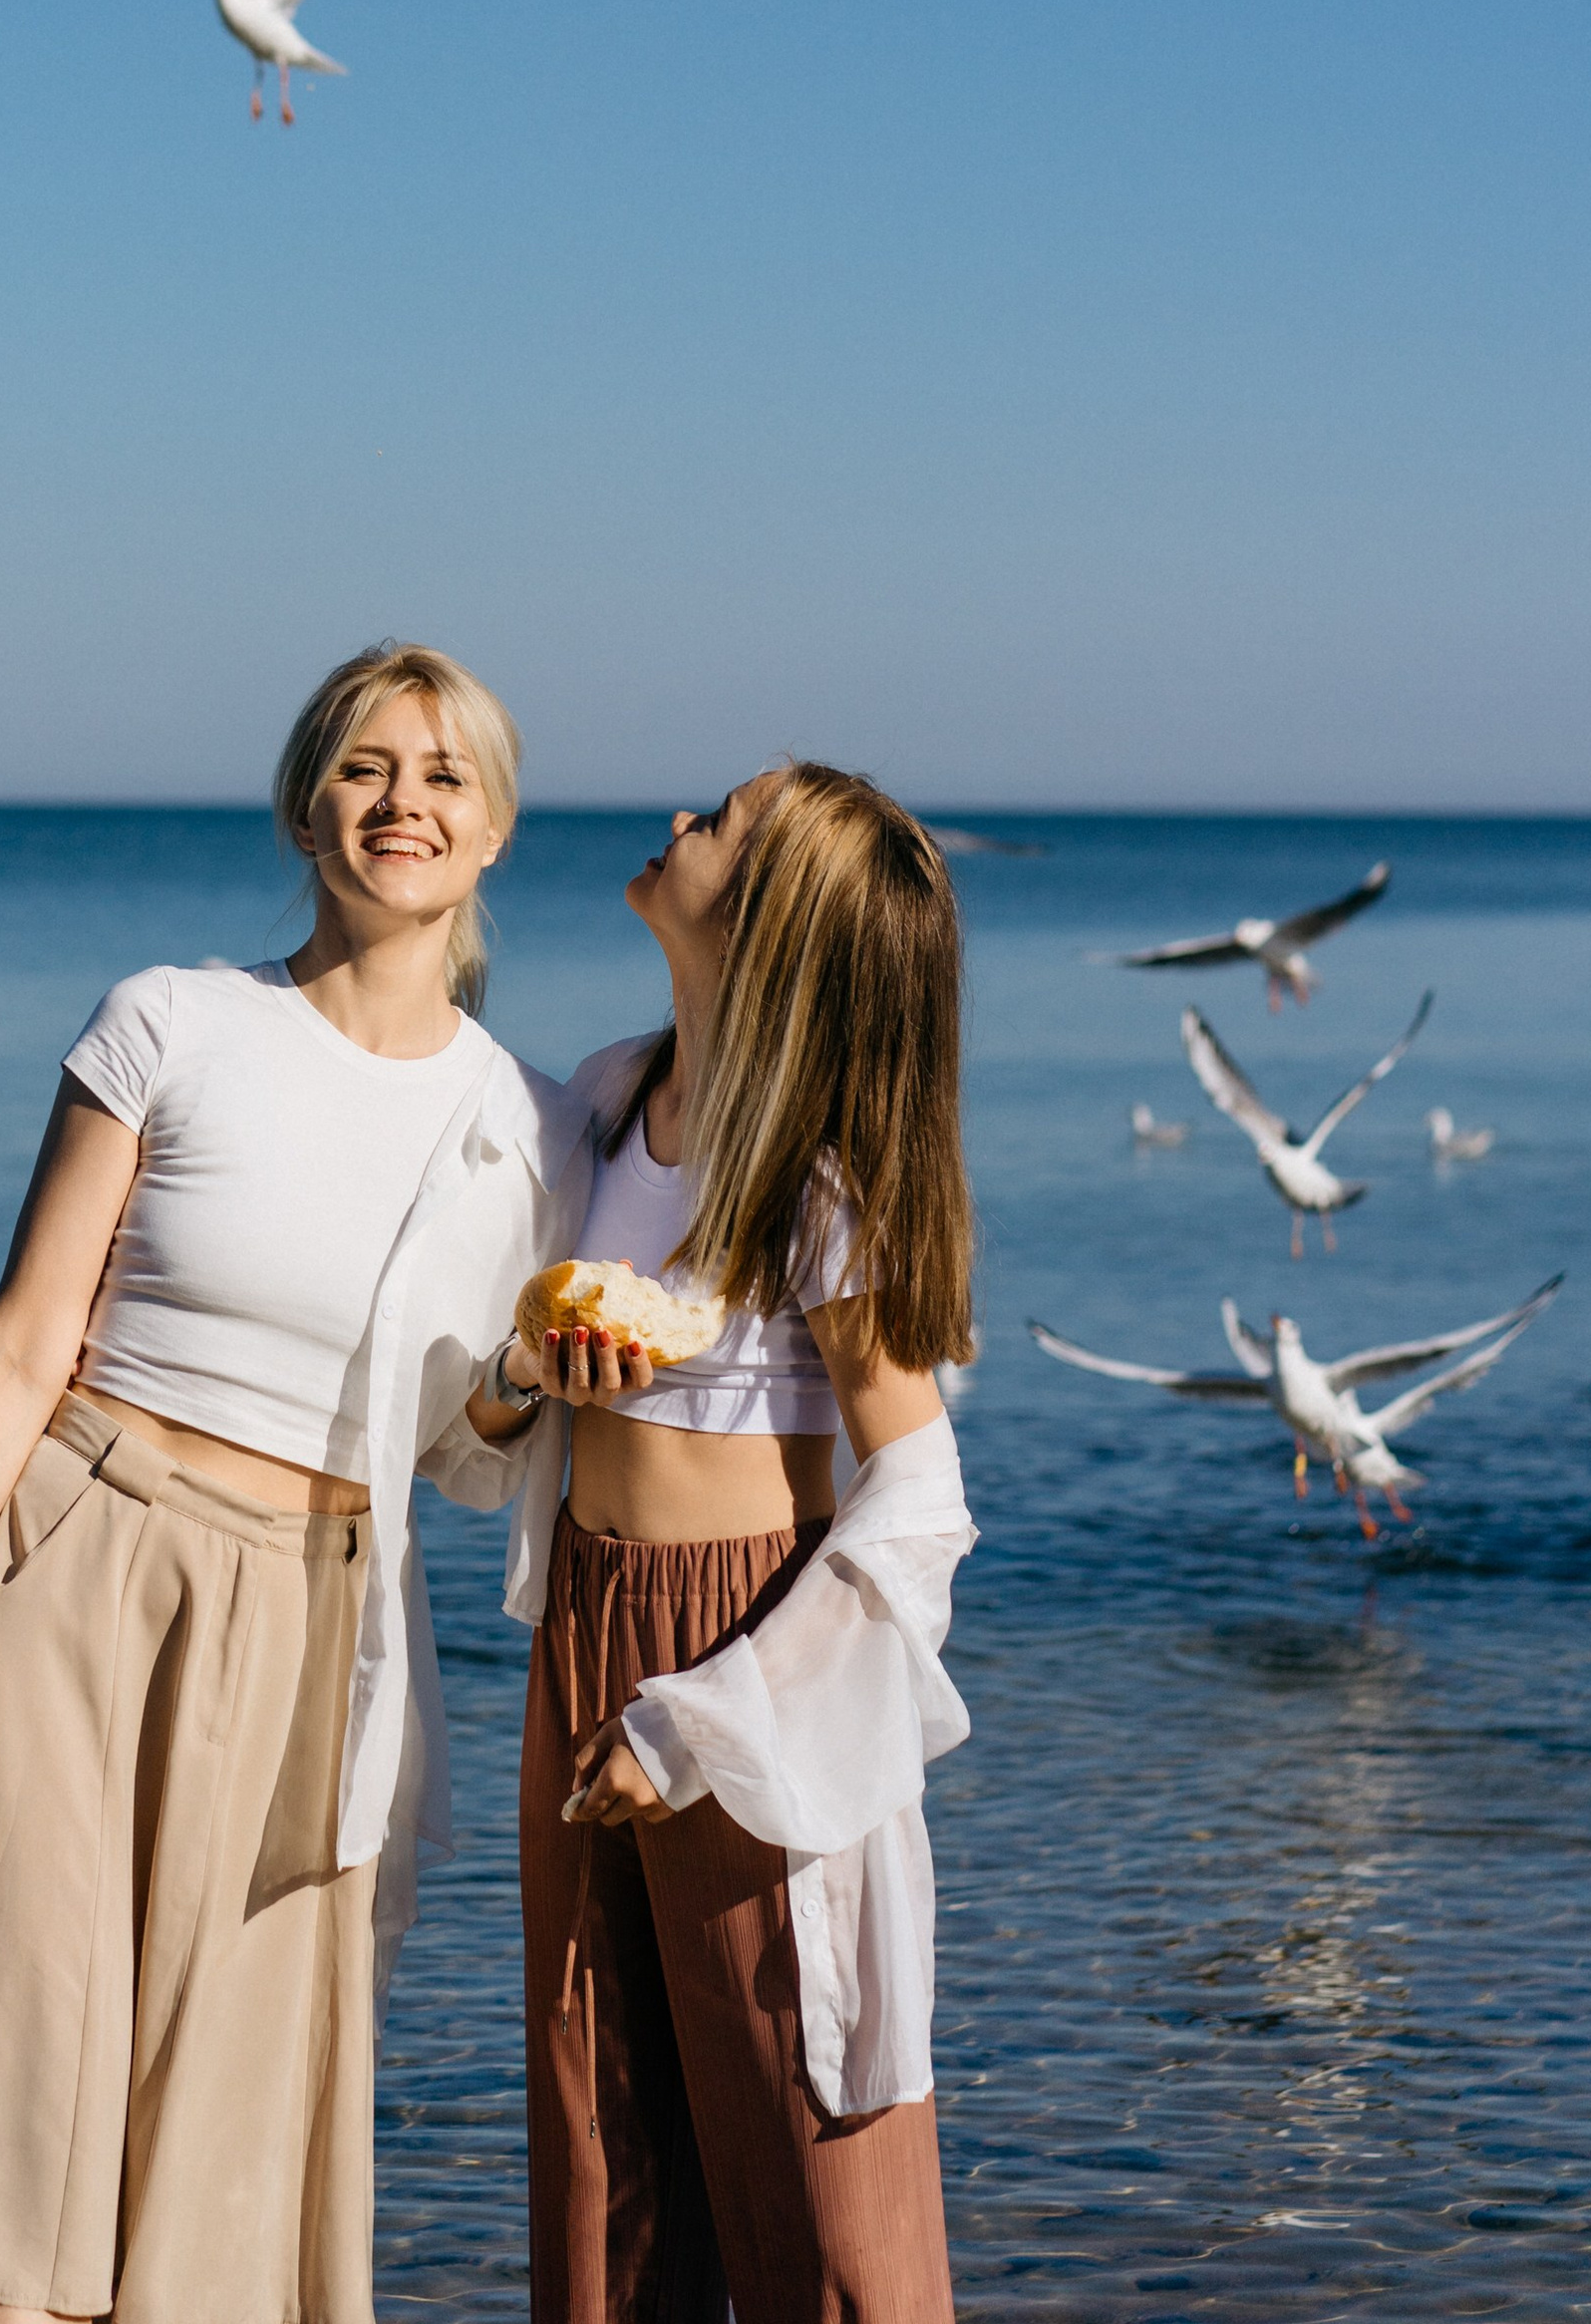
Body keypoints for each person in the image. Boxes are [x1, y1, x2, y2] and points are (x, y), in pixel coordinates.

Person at [0, 641, 586, 2324]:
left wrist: (521, 1388)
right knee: (26, 2150)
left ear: (497, 826)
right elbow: (15, 1353)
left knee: (212, 2185)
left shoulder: (531, 1131)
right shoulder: (172, 1020)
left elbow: (461, 1457)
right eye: (366, 767)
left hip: (316, 1626)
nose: (401, 804)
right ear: (308, 800)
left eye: (443, 774)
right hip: (74, 1574)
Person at [488, 763, 978, 2324]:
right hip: (588, 1620)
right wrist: (524, 1380)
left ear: (769, 928)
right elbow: (498, 1408)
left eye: (727, 823)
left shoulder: (816, 1179)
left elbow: (920, 1498)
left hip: (746, 1648)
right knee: (601, 2128)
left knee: (808, 2141)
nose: (683, 817)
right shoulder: (607, 1099)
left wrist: (711, 1718)